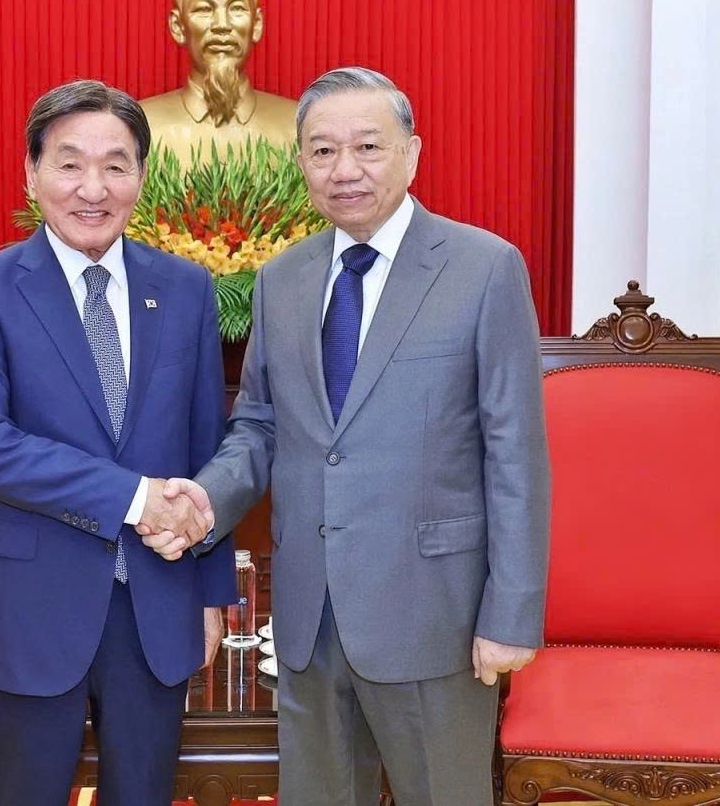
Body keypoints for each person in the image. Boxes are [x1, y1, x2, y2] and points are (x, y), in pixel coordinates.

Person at [153, 67, 551, 805]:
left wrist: (511, 613)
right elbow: (262, 425)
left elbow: (516, 454)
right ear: (300, 162)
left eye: (368, 146)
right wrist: (202, 501)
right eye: (323, 150)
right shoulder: (284, 279)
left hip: (436, 612)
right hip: (309, 612)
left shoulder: (483, 268)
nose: (345, 170)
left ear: (412, 153)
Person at [0, 79, 236, 806]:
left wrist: (212, 593)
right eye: (69, 164)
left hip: (158, 605)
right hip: (27, 607)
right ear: (32, 176)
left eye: (116, 164)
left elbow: (206, 445)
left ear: (142, 175)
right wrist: (135, 498)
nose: (92, 188)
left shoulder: (188, 288)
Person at [140, 0, 297, 164]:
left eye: (237, 8)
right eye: (204, 9)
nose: (222, 24)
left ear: (256, 25)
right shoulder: (139, 128)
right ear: (178, 26)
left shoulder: (298, 127)